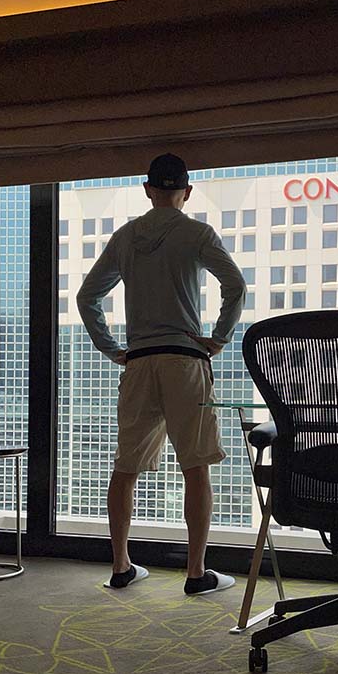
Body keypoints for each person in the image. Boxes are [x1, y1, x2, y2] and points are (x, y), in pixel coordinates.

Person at [77, 153, 247, 594]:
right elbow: (235, 285)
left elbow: (86, 296)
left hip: (139, 361)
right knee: (195, 467)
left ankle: (121, 566)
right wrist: (220, 336)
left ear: (148, 189)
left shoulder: (126, 237)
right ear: (185, 192)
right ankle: (195, 573)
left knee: (126, 468)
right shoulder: (196, 233)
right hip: (184, 360)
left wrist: (112, 349)